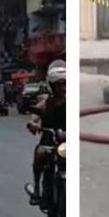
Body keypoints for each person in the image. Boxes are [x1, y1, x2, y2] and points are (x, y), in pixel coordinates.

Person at [25, 65, 67, 204]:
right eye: (59, 85)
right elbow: (34, 116)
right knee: (40, 154)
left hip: (67, 143)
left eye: (65, 84)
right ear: (52, 86)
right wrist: (33, 124)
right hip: (49, 142)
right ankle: (37, 189)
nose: (63, 88)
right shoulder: (45, 103)